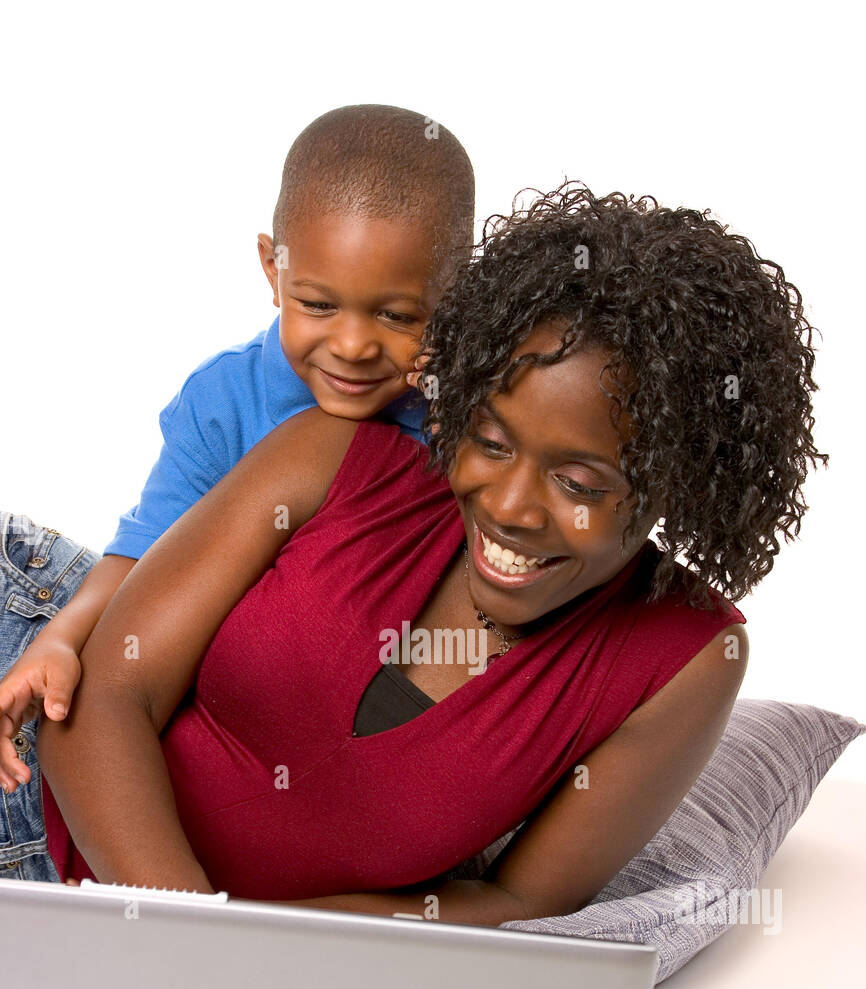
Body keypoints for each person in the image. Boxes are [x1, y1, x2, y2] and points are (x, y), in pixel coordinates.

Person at [0, 186, 826, 926]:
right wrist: (193, 933)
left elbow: (514, 902)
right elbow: (99, 695)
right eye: (491, 441)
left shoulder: (683, 659)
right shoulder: (336, 455)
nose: (508, 506)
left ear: (676, 485)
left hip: (121, 939)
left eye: (579, 480)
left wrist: (247, 954)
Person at [0, 103, 475, 787]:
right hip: (164, 668)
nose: (352, 344)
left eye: (396, 315)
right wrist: (64, 638)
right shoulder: (226, 400)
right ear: (272, 269)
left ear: (457, 299)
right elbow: (140, 549)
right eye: (317, 304)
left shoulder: (460, 423)